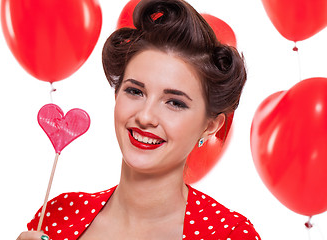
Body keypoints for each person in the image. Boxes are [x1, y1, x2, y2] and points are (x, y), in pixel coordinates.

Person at [18, 0, 261, 239]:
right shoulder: (56, 217)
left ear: (210, 126)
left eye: (175, 103)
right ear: (117, 94)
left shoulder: (229, 234)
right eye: (135, 91)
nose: (145, 117)